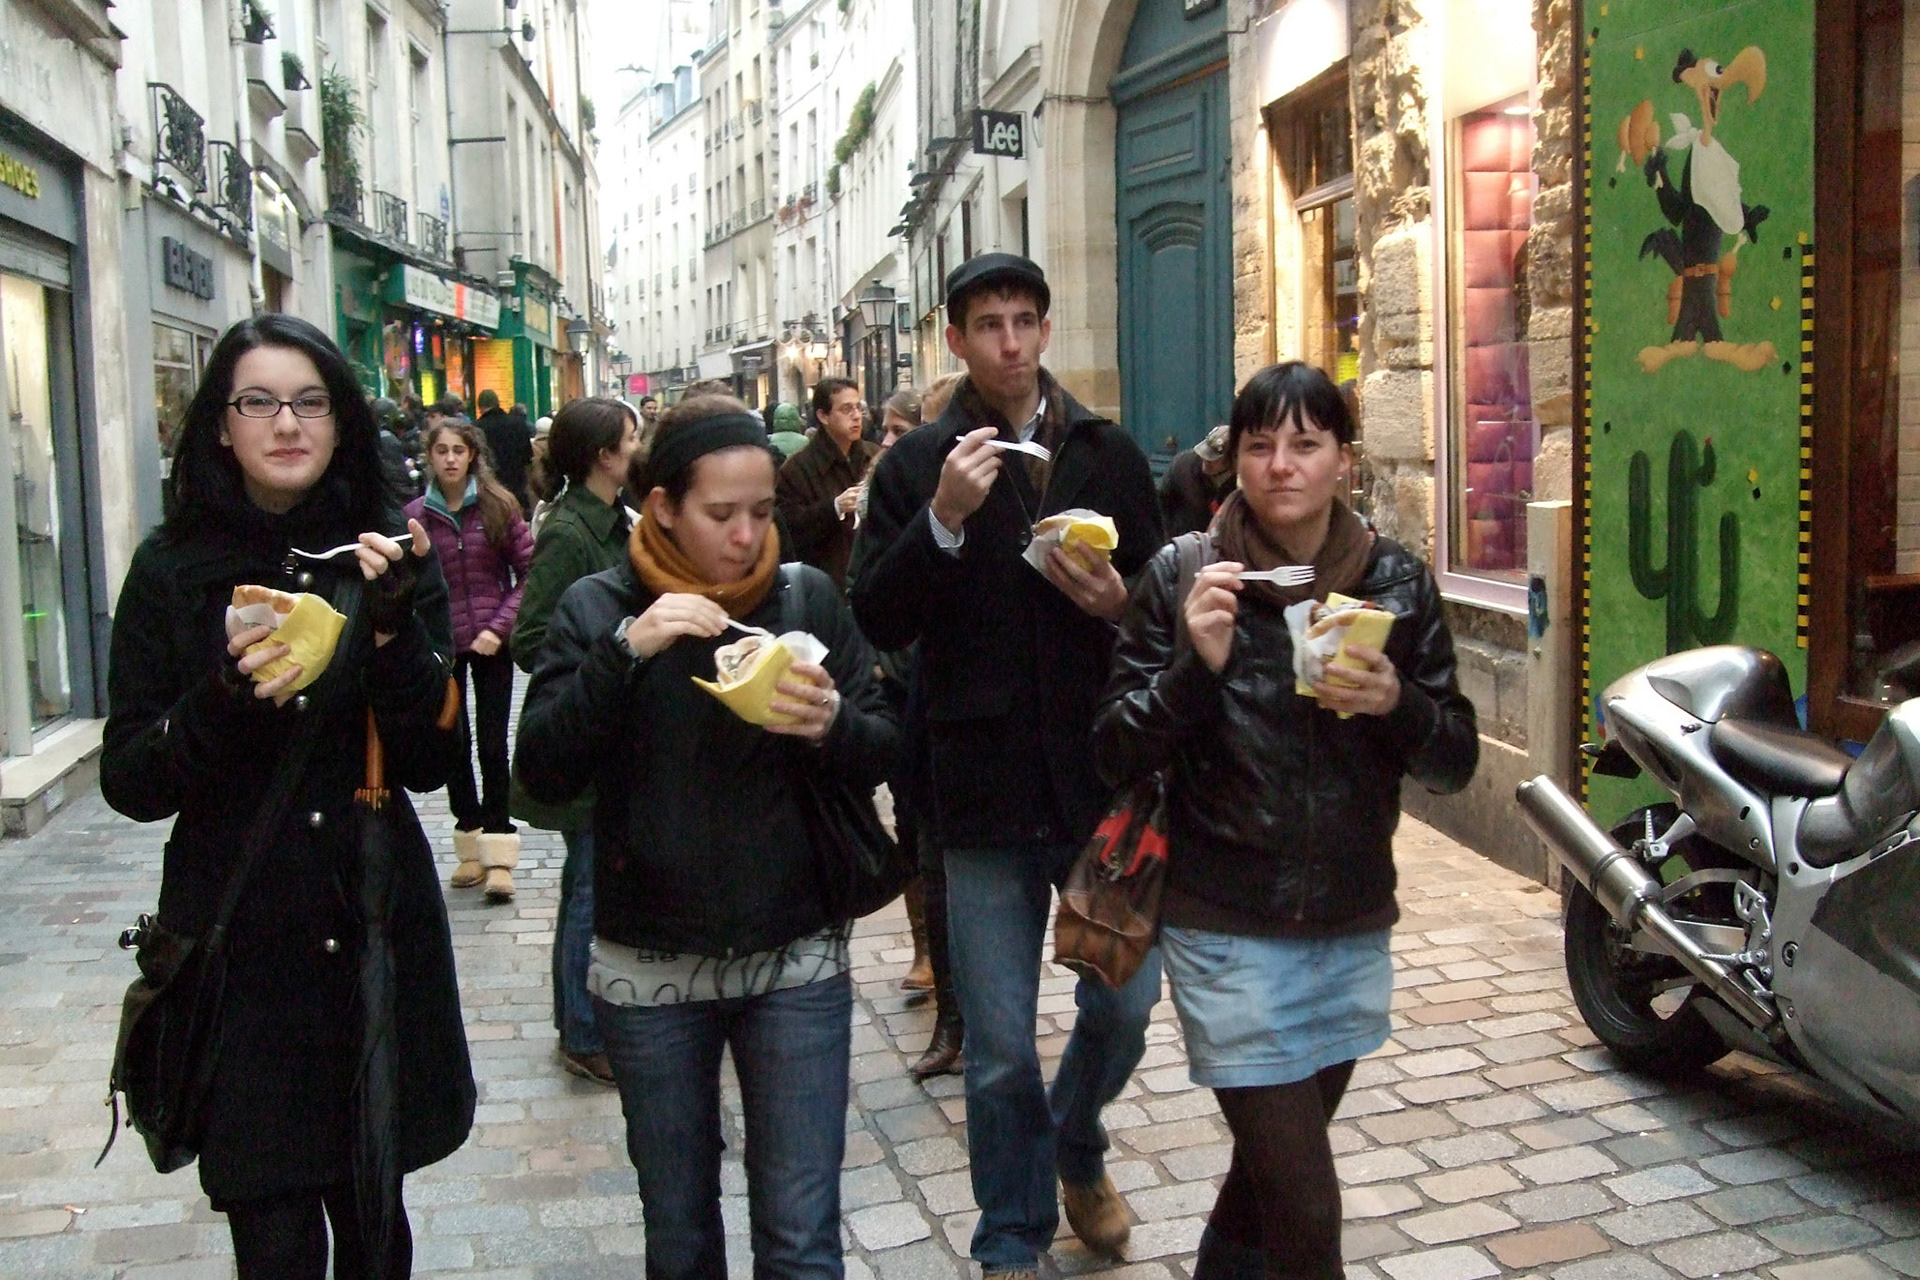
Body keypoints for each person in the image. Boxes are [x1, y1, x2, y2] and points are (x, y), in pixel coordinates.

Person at [100, 314, 473, 1276]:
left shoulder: (389, 555)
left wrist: (392, 641)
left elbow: (435, 762)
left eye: (310, 400)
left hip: (371, 934)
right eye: (257, 401)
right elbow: (131, 779)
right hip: (241, 954)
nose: (286, 423)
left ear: (342, 421)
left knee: (376, 1233)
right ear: (221, 425)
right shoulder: (172, 571)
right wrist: (225, 696)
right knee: (272, 1244)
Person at [1092, 361, 1478, 1280]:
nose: (1281, 466)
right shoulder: (1186, 575)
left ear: (1345, 458)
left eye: (1306, 443)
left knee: (1260, 1182)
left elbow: (1455, 760)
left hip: (1348, 924)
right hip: (1225, 928)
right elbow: (1112, 748)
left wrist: (1398, 702)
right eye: (1260, 445)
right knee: (1307, 1214)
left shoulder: (1396, 583)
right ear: (1233, 462)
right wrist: (1197, 664)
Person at [515, 393, 898, 1280]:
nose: (745, 534)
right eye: (721, 514)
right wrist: (625, 652)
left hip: (794, 957)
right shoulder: (595, 607)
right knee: (681, 1236)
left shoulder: (803, 597)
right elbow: (543, 769)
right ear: (662, 508)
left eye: (761, 512)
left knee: (803, 1240)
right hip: (651, 972)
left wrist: (830, 722)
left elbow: (884, 748)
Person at [850, 252, 1165, 1273]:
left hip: (1095, 783)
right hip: (978, 791)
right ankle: (1013, 1231)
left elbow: (1156, 609)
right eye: (990, 324)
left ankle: (1074, 1137)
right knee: (994, 1048)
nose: (1013, 343)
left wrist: (1117, 604)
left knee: (1123, 1003)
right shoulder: (915, 468)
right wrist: (942, 516)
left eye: (1027, 320)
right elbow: (877, 616)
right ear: (956, 338)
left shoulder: (1103, 452)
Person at [510, 396, 642, 1086]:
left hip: (616, 737)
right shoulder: (569, 531)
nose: (639, 447)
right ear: (602, 455)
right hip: (579, 740)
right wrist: (606, 660)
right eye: (631, 437)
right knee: (587, 887)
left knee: (597, 882)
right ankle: (581, 1031)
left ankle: (594, 1019)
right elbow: (531, 637)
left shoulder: (623, 519)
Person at [407, 416, 534, 900]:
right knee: (454, 744)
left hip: (490, 645)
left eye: (459, 450)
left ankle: (499, 851)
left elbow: (528, 573)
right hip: (444, 646)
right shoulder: (417, 515)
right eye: (442, 451)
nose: (451, 459)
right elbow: (412, 582)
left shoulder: (499, 507)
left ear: (473, 455)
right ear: (431, 457)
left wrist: (496, 628)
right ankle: (469, 842)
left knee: (492, 745)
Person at [776, 376, 878, 588]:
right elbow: (789, 529)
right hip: (827, 583)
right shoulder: (797, 469)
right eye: (846, 409)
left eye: (859, 408)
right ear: (823, 415)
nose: (857, 416)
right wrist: (835, 508)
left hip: (871, 578)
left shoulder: (873, 456)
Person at [1159, 424, 1236, 536]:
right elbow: (1161, 504)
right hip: (1184, 540)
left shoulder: (1240, 478)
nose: (1205, 461)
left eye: (1213, 459)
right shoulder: (1182, 466)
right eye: (1205, 454)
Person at [476, 389, 534, 516]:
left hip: (490, 495)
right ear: (498, 403)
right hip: (518, 490)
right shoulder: (518, 424)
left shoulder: (477, 428)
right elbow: (528, 459)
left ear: (480, 407)